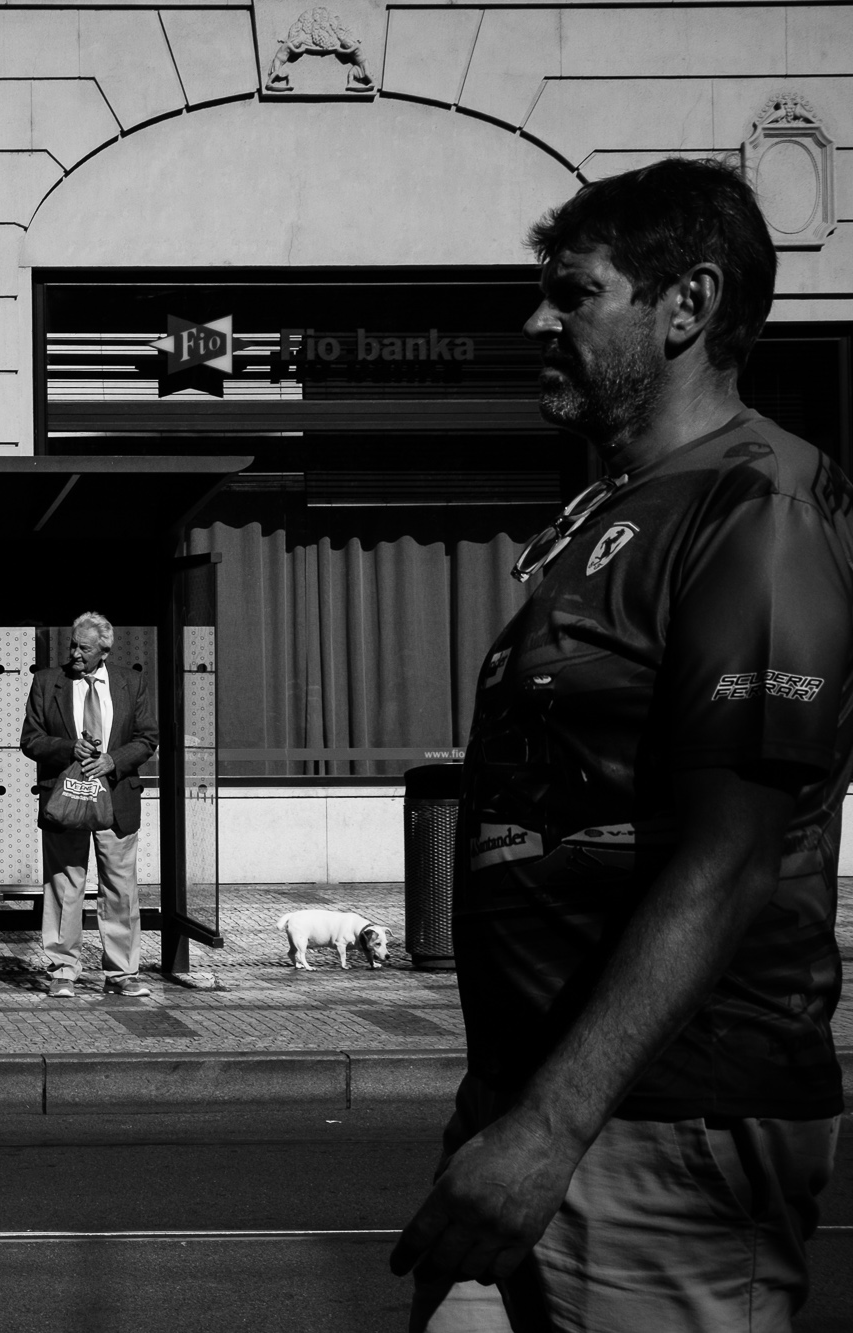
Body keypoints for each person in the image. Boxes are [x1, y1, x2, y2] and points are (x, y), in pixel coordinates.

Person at [392, 158, 849, 1331]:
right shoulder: (610, 508)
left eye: (573, 292)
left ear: (684, 305)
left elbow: (731, 859)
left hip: (661, 1118)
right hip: (527, 1105)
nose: (535, 322)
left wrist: (551, 1125)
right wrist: (509, 1108)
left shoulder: (756, 507)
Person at [19, 612, 159, 998]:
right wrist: (69, 748)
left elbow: (147, 738)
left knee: (120, 888)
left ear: (104, 651)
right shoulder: (48, 681)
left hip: (116, 798)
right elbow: (31, 739)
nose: (75, 654)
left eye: (84, 648)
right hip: (65, 799)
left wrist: (113, 760)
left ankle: (122, 973)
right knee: (65, 884)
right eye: (73, 645)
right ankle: (63, 970)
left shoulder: (131, 682)